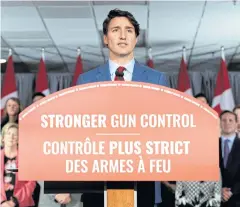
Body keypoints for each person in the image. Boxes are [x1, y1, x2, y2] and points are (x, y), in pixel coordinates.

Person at [77, 8, 169, 207]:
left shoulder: (157, 80)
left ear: (136, 39)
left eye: (128, 30)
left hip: (142, 180)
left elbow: (165, 129)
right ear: (105, 38)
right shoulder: (85, 81)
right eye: (115, 29)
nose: (122, 35)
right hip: (96, 182)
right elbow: (77, 133)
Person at [0, 123, 36, 207]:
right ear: (3, 138)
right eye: (8, 134)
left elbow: (31, 183)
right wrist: (2, 202)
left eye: (15, 135)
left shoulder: (27, 158)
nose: (11, 137)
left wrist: (14, 201)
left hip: (22, 203)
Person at [219, 110, 240, 207]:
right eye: (224, 120)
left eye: (230, 120)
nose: (227, 123)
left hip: (237, 200)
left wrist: (231, 192)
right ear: (219, 123)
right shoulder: (210, 145)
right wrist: (218, 190)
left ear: (237, 123)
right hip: (215, 199)